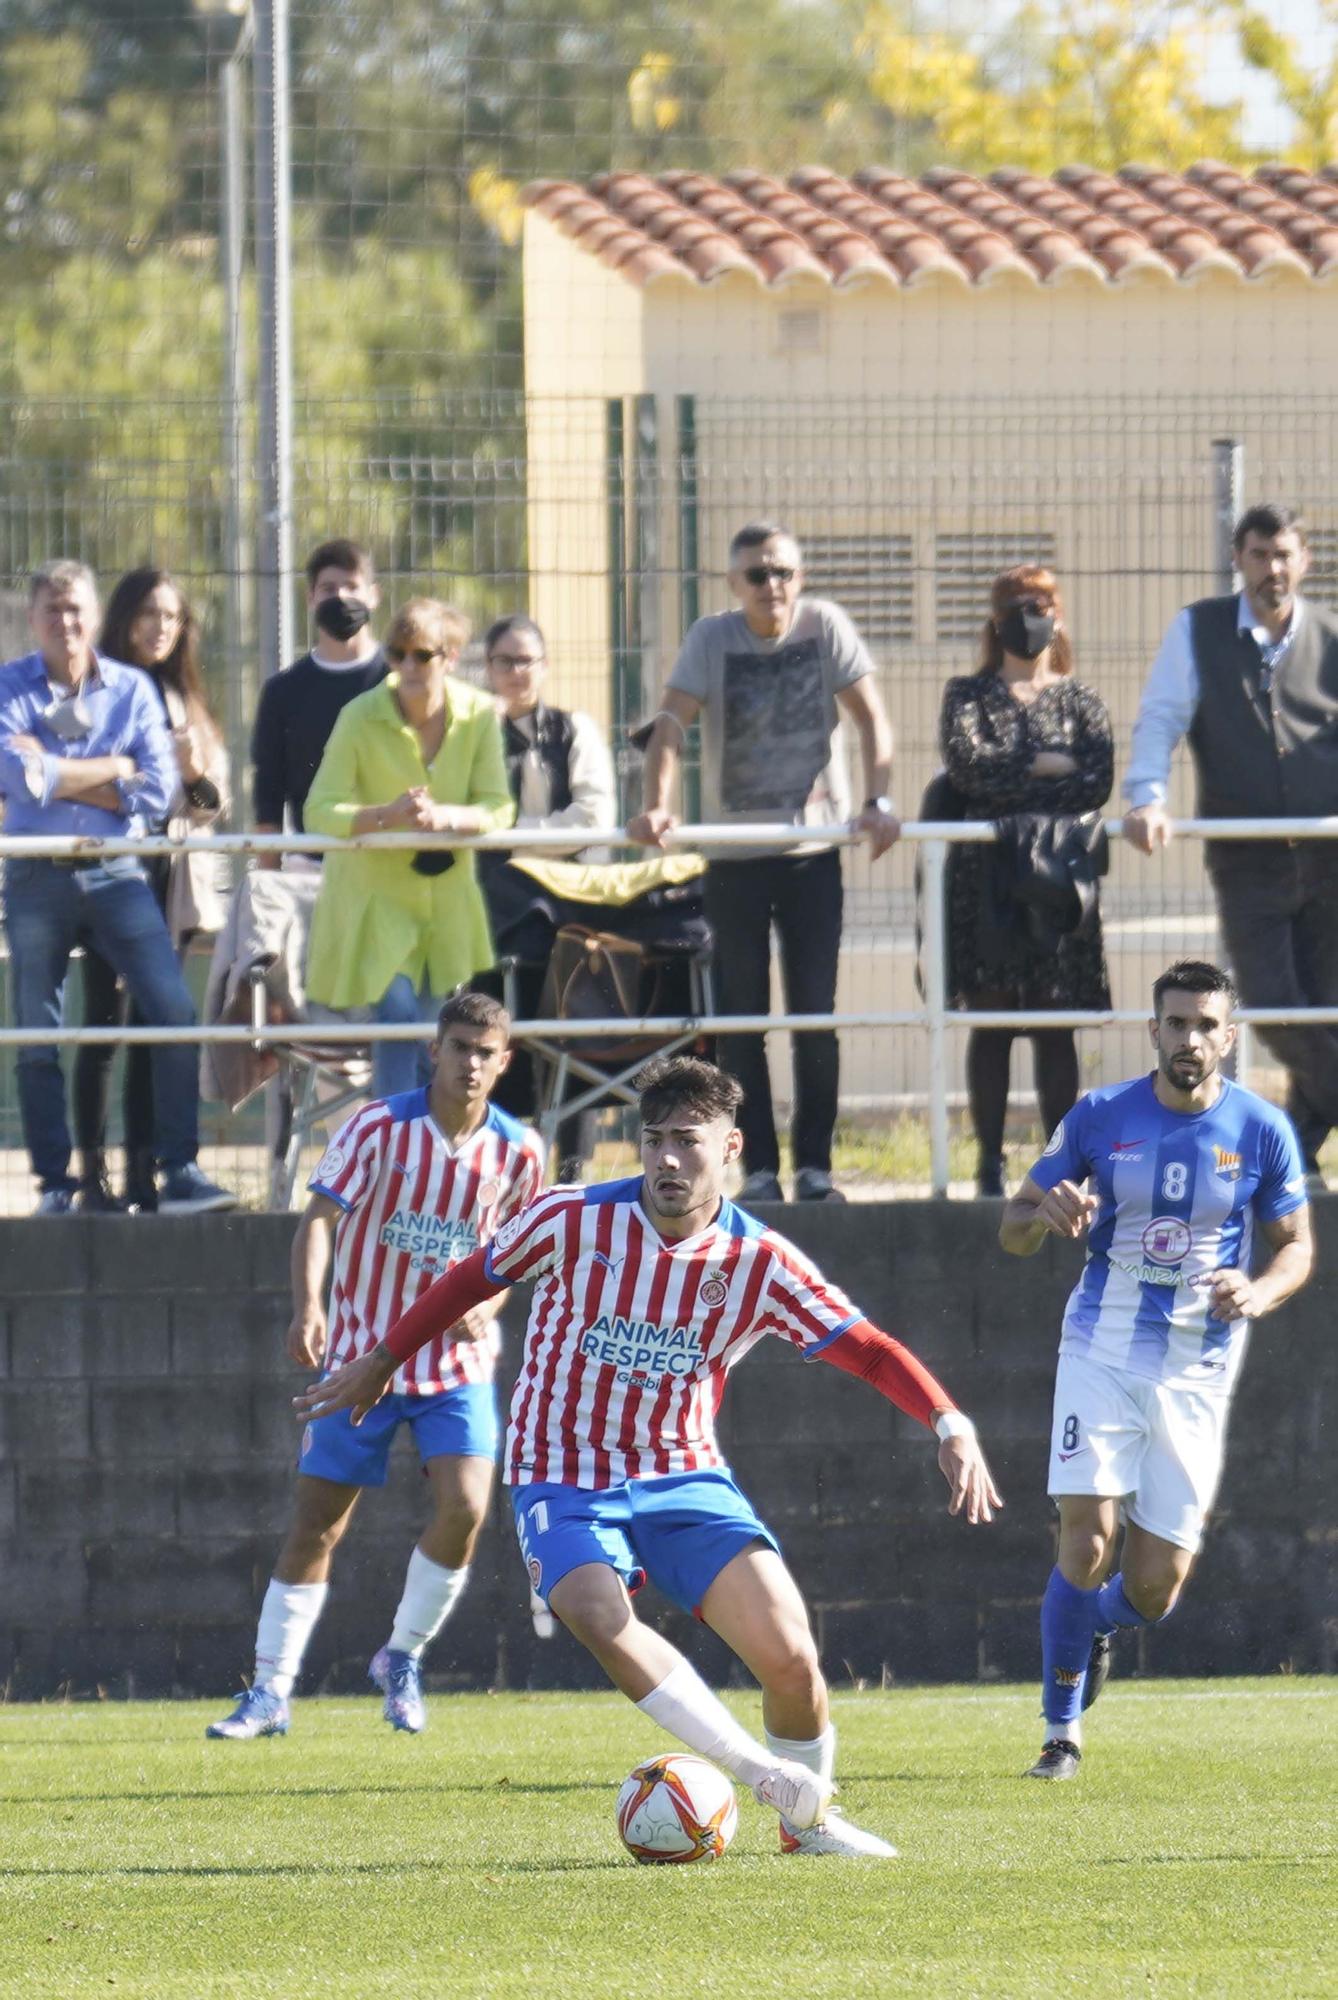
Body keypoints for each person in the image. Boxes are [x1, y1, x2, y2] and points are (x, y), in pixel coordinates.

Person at [297, 1055, 1002, 1856]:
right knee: (597, 1612)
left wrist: (948, 1422)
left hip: (683, 1473)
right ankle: (767, 1779)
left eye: (689, 1142)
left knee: (794, 1659)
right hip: (561, 1471)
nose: (668, 1159)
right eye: (655, 1139)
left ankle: (804, 1834)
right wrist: (384, 1359)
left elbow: (869, 1351)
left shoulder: (759, 1261)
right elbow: (469, 1278)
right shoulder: (569, 1217)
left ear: (731, 1147)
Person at [998, 959, 1312, 1780]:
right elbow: (1014, 1225)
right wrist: (1047, 1213)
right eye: (1176, 1023)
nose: (1190, 1039)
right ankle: (1060, 1734)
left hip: (1196, 1372)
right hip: (1099, 1350)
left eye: (1206, 1025)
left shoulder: (1261, 1130)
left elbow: (1297, 1247)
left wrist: (1260, 1289)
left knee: (1153, 1591)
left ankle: (1098, 1623)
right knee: (1086, 1536)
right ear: (1154, 1031)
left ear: (1229, 1037)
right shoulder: (1101, 1115)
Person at [208, 992, 546, 1741]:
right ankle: (269, 1692)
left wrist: (487, 1309)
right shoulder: (378, 1126)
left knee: (466, 1509)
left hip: (456, 1367)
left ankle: (401, 1657)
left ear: (505, 1061)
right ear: (434, 1049)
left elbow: (521, 1256)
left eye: (485, 1052)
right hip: (361, 1359)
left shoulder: (521, 1149)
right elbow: (320, 1217)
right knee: (317, 1525)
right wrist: (309, 1307)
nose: (470, 1063)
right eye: (459, 1047)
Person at [629, 523, 900, 1205]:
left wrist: (878, 799)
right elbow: (669, 724)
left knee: (814, 1014)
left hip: (812, 857)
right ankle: (755, 1171)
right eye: (756, 574)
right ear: (733, 582)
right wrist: (656, 806)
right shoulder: (711, 638)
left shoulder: (826, 626)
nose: (771, 586)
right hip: (734, 860)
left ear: (799, 578)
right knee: (742, 1020)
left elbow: (872, 717)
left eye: (782, 572)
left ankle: (815, 1168)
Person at [0, 560, 234, 1215]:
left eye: (76, 609)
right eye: (52, 609)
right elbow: (17, 780)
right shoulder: (9, 686)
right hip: (34, 876)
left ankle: (179, 1170)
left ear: (95, 618)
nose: (65, 622)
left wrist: (56, 769)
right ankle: (57, 1185)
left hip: (118, 874)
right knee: (37, 1036)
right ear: (32, 617)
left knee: (172, 1012)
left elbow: (160, 791)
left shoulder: (130, 689)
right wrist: (114, 770)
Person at [1123, 503, 1338, 1184]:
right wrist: (1146, 797)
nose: (1271, 569)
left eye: (1283, 555)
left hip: (1332, 861)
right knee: (1274, 1009)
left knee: (1327, 1006)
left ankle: (1296, 1159)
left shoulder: (1331, 637)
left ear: (1303, 560)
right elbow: (1161, 717)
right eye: (1258, 555)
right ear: (1239, 560)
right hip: (1248, 862)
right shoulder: (1198, 629)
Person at [939, 565, 1113, 1197]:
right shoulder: (967, 694)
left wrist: (1018, 772)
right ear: (994, 620)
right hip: (984, 884)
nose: (1028, 617)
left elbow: (1096, 780)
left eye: (1039, 605)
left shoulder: (1082, 700)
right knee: (991, 1022)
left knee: (1054, 1024)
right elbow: (966, 770)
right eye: (1014, 605)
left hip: (1061, 882)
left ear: (1058, 616)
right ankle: (988, 1164)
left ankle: (1058, 1166)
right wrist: (1046, 765)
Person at [302, 597, 515, 1100]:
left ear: (452, 656)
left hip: (447, 906)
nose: (408, 667)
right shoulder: (359, 714)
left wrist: (449, 818)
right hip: (375, 903)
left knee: (432, 1035)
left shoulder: (479, 714)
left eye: (422, 654)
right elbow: (319, 810)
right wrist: (385, 817)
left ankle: (426, 1154)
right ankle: (397, 1147)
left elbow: (498, 807)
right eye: (397, 654)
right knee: (398, 1018)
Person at [74, 568, 232, 1213]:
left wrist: (192, 771)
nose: (160, 628)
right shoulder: (95, 687)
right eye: (147, 614)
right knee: (104, 1027)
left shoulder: (186, 699)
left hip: (170, 882)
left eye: (171, 617)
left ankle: (148, 1172)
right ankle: (91, 1177)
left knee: (157, 1026)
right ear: (121, 618)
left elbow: (210, 805)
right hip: (106, 873)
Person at [480, 613, 617, 1168]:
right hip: (492, 908)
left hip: (569, 907)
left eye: (527, 659)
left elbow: (595, 815)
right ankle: (505, 1167)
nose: (517, 671)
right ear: (488, 668)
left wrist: (513, 839)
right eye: (505, 661)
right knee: (496, 1025)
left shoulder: (574, 729)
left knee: (571, 1026)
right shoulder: (472, 734)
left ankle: (573, 1167)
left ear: (546, 665)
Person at [250, 538, 386, 863]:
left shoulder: (400, 680)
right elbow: (267, 794)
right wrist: (268, 877)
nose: (340, 597)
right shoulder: (283, 692)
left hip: (392, 858)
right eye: (328, 588)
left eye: (352, 586)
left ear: (373, 595)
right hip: (312, 863)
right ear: (310, 598)